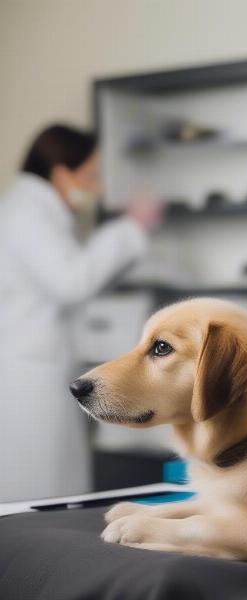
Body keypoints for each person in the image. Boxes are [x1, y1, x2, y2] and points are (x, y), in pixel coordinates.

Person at [0, 123, 163, 502]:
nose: (97, 187)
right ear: (60, 173)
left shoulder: (29, 212)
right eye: (90, 175)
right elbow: (72, 281)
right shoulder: (27, 216)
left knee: (48, 481)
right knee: (41, 487)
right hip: (29, 372)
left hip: (36, 362)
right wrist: (132, 226)